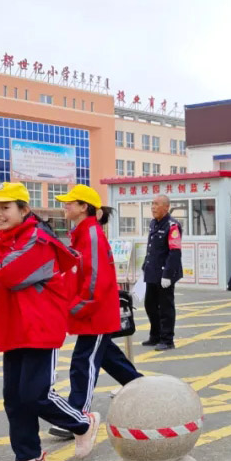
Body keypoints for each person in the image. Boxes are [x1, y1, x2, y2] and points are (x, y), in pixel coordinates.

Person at [0, 182, 97, 461]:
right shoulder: (3, 239)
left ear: (24, 209)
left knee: (35, 394)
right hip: (13, 325)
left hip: (39, 325)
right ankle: (29, 457)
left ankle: (83, 423)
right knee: (14, 396)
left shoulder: (38, 239)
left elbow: (8, 273)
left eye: (5, 208)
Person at [51, 185, 143, 437]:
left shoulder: (90, 234)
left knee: (83, 362)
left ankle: (76, 416)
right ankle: (144, 389)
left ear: (84, 207)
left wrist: (79, 307)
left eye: (71, 202)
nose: (65, 206)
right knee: (105, 357)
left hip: (95, 312)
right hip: (94, 310)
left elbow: (95, 278)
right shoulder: (83, 233)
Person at [142, 194, 183, 351]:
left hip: (165, 273)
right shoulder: (154, 223)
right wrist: (145, 266)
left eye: (156, 204)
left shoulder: (172, 226)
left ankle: (167, 339)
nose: (153, 207)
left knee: (166, 306)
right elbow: (152, 247)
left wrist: (167, 274)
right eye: (152, 204)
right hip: (152, 271)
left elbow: (174, 252)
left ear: (166, 207)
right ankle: (155, 335)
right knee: (150, 304)